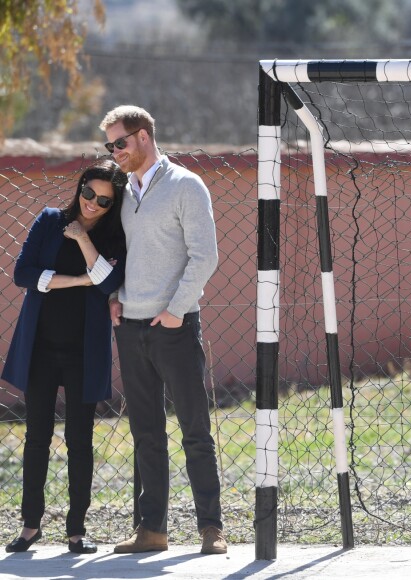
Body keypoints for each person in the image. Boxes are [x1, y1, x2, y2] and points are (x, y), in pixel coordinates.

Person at [98, 105, 226, 555]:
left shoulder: (186, 186)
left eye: (121, 143)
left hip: (174, 326)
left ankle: (211, 529)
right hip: (129, 328)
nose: (115, 152)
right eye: (110, 146)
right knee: (146, 433)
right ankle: (151, 531)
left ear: (145, 136)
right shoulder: (123, 191)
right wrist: (114, 297)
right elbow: (122, 252)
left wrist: (175, 309)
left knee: (195, 428)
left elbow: (204, 256)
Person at [2, 159, 128, 554]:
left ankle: (76, 530)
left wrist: (83, 240)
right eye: (88, 193)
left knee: (80, 440)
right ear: (79, 188)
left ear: (113, 205)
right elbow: (23, 273)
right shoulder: (49, 220)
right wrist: (76, 280)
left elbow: (109, 280)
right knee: (36, 437)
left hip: (83, 352)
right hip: (40, 347)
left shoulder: (112, 237)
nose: (92, 203)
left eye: (103, 201)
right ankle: (30, 525)